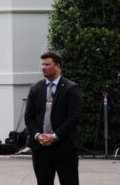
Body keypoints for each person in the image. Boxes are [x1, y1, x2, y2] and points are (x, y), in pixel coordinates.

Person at [25, 51, 82, 185]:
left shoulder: (71, 88)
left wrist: (55, 136)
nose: (43, 67)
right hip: (41, 148)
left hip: (65, 147)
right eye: (42, 64)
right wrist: (38, 135)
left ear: (57, 66)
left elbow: (74, 117)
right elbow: (29, 117)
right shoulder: (35, 88)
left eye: (47, 64)